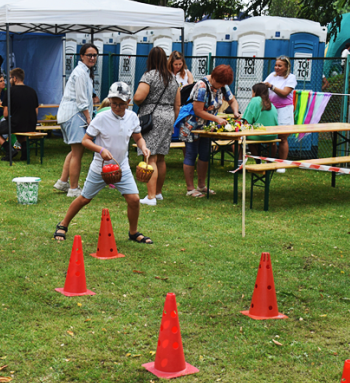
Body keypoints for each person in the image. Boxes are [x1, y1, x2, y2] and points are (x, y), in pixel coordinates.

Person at [53, 82, 153, 244]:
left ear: (128, 102)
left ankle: (133, 232)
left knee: (134, 200)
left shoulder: (132, 117)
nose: (117, 107)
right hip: (100, 168)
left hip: (122, 167)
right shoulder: (101, 118)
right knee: (85, 198)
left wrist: (144, 147)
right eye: (113, 103)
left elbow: (138, 137)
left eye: (121, 104)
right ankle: (63, 224)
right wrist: (100, 150)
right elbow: (85, 141)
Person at [181, 65, 240, 196]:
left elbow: (232, 100)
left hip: (208, 126)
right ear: (213, 77)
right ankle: (190, 189)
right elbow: (198, 110)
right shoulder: (201, 86)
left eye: (223, 84)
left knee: (205, 154)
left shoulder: (223, 85)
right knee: (191, 154)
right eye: (219, 83)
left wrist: (235, 111)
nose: (220, 87)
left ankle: (201, 186)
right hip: (192, 125)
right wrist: (217, 119)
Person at [133, 46, 180, 206]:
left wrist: (139, 99)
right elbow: (177, 104)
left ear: (150, 59)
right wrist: (172, 119)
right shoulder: (173, 78)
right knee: (160, 157)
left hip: (152, 117)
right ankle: (158, 193)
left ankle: (151, 197)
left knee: (150, 157)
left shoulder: (149, 75)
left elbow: (138, 97)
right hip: (168, 117)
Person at [54, 43, 98, 197]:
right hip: (74, 115)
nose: (92, 58)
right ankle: (73, 189)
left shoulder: (83, 72)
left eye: (94, 55)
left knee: (74, 151)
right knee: (77, 153)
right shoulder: (80, 73)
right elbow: (81, 101)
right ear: (81, 56)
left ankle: (63, 182)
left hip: (71, 115)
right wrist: (89, 119)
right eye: (89, 55)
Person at [0, 68, 39, 162]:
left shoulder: (10, 91)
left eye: (10, 78)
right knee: (20, 134)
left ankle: (9, 149)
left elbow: (6, 114)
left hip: (16, 124)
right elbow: (36, 112)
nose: (9, 81)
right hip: (31, 125)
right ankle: (24, 154)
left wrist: (9, 118)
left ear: (14, 78)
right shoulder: (32, 91)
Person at [263, 56, 296, 172]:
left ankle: (281, 165)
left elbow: (284, 93)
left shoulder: (291, 78)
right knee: (271, 137)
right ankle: (269, 162)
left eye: (280, 66)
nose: (276, 68)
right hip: (271, 110)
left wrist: (271, 86)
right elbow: (262, 86)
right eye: (276, 65)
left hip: (284, 110)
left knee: (282, 137)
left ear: (286, 67)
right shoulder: (272, 75)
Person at [245, 83, 279, 158]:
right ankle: (269, 162)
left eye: (252, 92)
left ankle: (258, 161)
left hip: (259, 135)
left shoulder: (254, 100)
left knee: (249, 139)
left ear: (255, 92)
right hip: (272, 135)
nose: (252, 94)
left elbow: (247, 121)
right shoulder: (270, 103)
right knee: (272, 143)